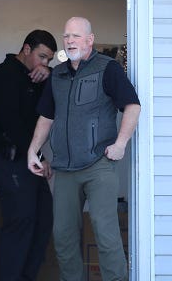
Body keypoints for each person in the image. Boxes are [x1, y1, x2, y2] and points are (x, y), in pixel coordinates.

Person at [27, 17, 141, 281]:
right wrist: (34, 150)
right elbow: (47, 116)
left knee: (105, 233)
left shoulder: (108, 68)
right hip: (65, 168)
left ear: (90, 40)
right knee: (64, 237)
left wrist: (120, 144)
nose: (70, 41)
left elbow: (132, 106)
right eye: (67, 36)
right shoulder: (58, 74)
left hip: (98, 165)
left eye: (76, 36)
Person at [0, 29, 57, 281]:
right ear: (26, 49)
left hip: (29, 160)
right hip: (9, 159)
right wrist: (39, 157)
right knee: (21, 223)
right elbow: (13, 126)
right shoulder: (4, 75)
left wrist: (48, 75)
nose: (44, 63)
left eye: (49, 59)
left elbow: (51, 104)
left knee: (43, 222)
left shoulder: (36, 78)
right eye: (42, 57)